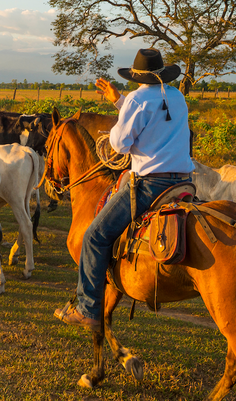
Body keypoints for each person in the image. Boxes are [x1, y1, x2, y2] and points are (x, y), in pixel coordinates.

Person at [54, 48, 193, 331]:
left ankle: (88, 308)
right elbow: (156, 120)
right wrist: (119, 101)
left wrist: (121, 111)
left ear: (136, 75)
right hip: (183, 181)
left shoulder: (137, 99)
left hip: (150, 184)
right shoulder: (176, 96)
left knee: (94, 235)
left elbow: (119, 145)